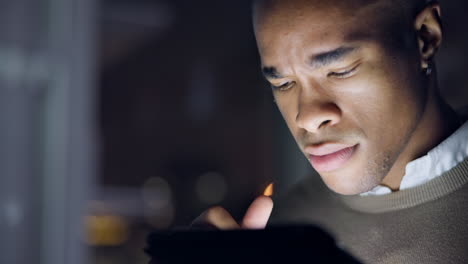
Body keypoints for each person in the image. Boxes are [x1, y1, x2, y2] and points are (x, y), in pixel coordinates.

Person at [194, 0, 468, 262]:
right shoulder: (275, 238)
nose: (308, 118)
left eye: (340, 70)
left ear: (425, 38)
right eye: (283, 84)